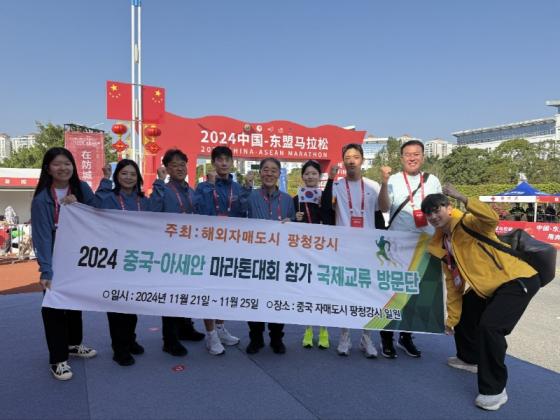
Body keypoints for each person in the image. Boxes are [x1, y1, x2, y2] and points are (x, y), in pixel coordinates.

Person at [421, 185, 540, 411]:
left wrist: (463, 197)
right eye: (429, 213)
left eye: (437, 209)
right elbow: (454, 285)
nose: (434, 216)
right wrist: (452, 319)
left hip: (516, 279)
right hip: (489, 288)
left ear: (448, 207)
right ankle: (469, 358)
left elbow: (491, 218)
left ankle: (494, 391)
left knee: (490, 328)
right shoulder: (440, 245)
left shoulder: (468, 222)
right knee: (466, 311)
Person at [31, 147, 98, 380]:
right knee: (54, 307)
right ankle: (58, 359)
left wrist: (78, 204)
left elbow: (99, 211)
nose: (63, 168)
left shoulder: (81, 188)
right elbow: (42, 236)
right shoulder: (42, 199)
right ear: (48, 168)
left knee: (75, 302)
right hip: (55, 258)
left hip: (78, 257)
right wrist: (46, 269)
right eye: (57, 164)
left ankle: (73, 344)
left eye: (67, 163)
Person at [377, 140, 442, 358]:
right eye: (408, 154)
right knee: (393, 293)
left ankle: (406, 337)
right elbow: (384, 207)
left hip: (426, 245)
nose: (412, 158)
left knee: (415, 296)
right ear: (401, 157)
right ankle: (386, 337)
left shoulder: (432, 181)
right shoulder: (394, 179)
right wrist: (384, 183)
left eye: (416, 154)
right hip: (399, 246)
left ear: (423, 157)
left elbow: (440, 211)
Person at [321, 143, 380, 358]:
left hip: (367, 250)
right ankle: (344, 336)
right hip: (344, 250)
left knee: (367, 295)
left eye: (356, 156)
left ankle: (367, 338)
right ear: (344, 161)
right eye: (348, 157)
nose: (352, 160)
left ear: (362, 160)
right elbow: (325, 206)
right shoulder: (337, 186)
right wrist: (329, 179)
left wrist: (384, 182)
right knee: (345, 294)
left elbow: (383, 208)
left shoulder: (373, 186)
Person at [195, 146, 253, 355]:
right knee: (209, 290)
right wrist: (210, 186)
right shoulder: (202, 187)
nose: (223, 163)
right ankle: (210, 335)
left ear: (232, 162)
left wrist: (247, 189)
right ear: (213, 163)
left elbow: (245, 211)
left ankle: (220, 328)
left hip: (231, 247)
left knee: (224, 289)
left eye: (227, 159)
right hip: (209, 245)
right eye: (219, 160)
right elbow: (200, 210)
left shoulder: (237, 188)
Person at [150, 148, 205, 357]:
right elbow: (152, 213)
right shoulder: (163, 190)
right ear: (167, 168)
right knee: (170, 295)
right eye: (174, 165)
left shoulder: (192, 192)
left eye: (182, 164)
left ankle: (185, 329)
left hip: (190, 251)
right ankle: (169, 340)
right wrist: (158, 183)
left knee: (186, 292)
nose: (179, 168)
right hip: (169, 252)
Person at [96, 160, 149, 366]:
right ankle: (119, 349)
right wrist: (104, 180)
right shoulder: (109, 197)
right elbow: (96, 206)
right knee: (117, 306)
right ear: (117, 176)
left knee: (132, 304)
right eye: (124, 173)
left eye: (133, 174)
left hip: (136, 259)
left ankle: (130, 340)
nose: (128, 177)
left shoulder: (142, 200)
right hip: (115, 259)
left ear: (138, 178)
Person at [245, 157, 295, 355]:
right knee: (255, 299)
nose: (269, 173)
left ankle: (276, 338)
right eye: (266, 169)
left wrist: (290, 223)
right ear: (260, 173)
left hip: (279, 258)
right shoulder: (250, 197)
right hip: (255, 258)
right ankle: (255, 338)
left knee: (277, 299)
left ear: (279, 174)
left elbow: (294, 230)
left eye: (274, 170)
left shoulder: (287, 199)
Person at [294, 160, 334, 349]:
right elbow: (289, 226)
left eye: (314, 174)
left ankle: (324, 330)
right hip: (304, 252)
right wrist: (296, 219)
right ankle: (308, 329)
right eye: (307, 173)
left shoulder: (327, 197)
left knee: (324, 292)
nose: (310, 177)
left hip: (325, 251)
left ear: (320, 177)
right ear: (302, 176)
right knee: (308, 292)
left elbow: (331, 218)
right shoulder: (296, 200)